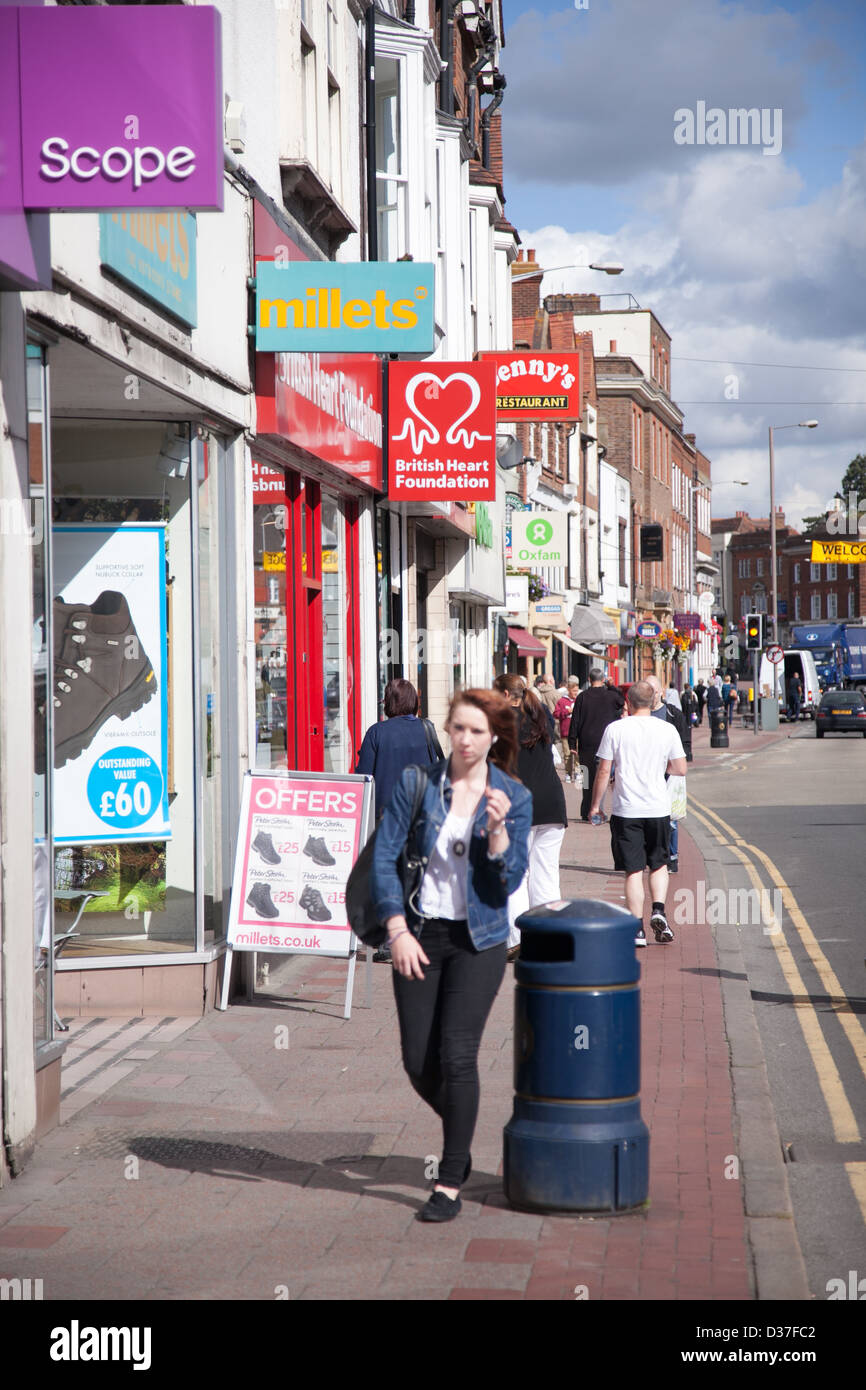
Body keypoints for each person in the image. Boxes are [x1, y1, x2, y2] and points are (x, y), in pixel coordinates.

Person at [371, 689, 532, 1222]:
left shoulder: (513, 796)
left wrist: (498, 836)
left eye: (476, 732)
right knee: (419, 1061)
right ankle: (463, 1127)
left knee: (458, 1055)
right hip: (419, 933)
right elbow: (385, 857)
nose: (464, 739)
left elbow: (508, 884)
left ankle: (451, 1179)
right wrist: (396, 929)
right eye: (457, 728)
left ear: (493, 739)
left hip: (478, 940)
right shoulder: (418, 784)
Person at [588, 681, 687, 946]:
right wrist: (657, 770)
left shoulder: (615, 729)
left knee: (632, 870)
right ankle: (658, 910)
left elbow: (602, 771)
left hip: (626, 809)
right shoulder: (667, 729)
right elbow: (680, 768)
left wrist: (595, 806)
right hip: (658, 807)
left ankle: (637, 930)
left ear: (628, 703)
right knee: (659, 863)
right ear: (654, 701)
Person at [355, 678, 444, 962]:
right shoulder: (426, 729)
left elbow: (363, 777)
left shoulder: (376, 733)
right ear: (414, 702)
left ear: (388, 702)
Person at [494, 674, 568, 960]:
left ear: (504, 694)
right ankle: (548, 938)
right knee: (546, 874)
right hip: (551, 803)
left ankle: (516, 938)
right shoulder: (541, 715)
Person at [646, 674, 692, 874]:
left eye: (654, 691)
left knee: (671, 818)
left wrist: (681, 765)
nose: (651, 696)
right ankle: (654, 854)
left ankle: (671, 857)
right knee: (649, 816)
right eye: (647, 691)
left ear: (661, 692)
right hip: (647, 773)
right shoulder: (640, 715)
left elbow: (684, 741)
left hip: (670, 772)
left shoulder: (673, 714)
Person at [567, 667, 625, 821]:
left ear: (588, 679)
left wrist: (572, 743)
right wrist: (611, 685)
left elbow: (575, 721)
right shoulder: (611, 696)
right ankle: (597, 809)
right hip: (605, 744)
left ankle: (586, 809)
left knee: (587, 777)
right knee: (602, 777)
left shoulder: (582, 697)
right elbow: (622, 700)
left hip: (586, 744)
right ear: (603, 679)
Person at [553, 677, 581, 782]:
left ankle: (578, 773)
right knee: (568, 755)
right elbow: (556, 714)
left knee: (578, 754)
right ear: (569, 690)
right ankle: (568, 773)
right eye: (574, 691)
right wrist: (567, 711)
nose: (575, 693)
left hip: (578, 732)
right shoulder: (562, 701)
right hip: (566, 732)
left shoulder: (579, 700)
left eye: (576, 691)